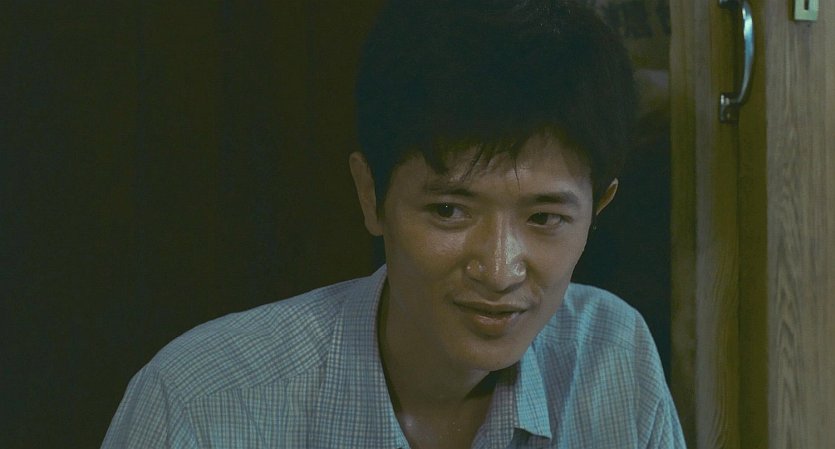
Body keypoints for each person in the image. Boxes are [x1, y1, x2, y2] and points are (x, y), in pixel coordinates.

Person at [102, 0, 686, 447]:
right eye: (449, 210)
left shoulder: (613, 356)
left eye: (544, 217)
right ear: (370, 195)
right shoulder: (202, 404)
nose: (499, 269)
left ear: (598, 210)